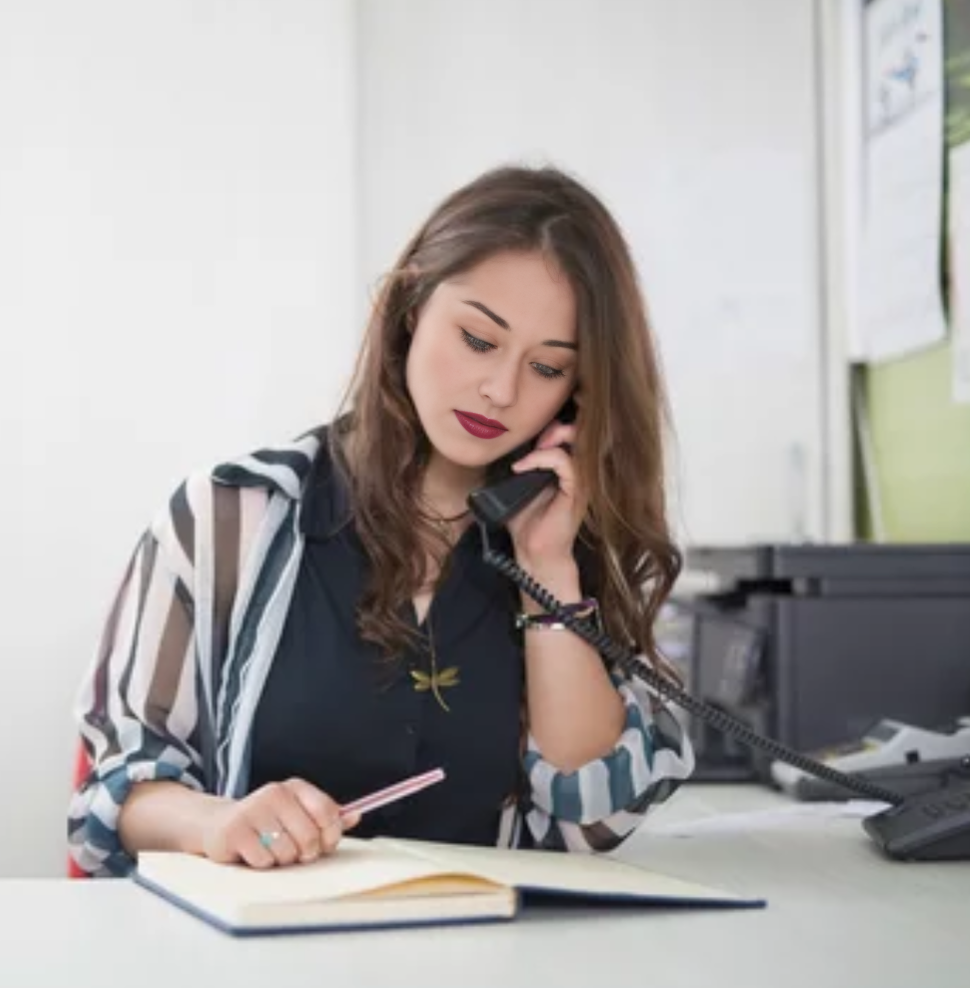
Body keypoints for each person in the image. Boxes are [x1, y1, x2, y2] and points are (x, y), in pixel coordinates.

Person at [68, 165, 695, 878]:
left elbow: (592, 819)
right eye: (478, 341)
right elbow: (113, 795)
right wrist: (217, 822)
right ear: (409, 308)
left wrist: (548, 570)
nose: (500, 389)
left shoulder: (569, 550)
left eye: (548, 369)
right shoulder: (226, 517)